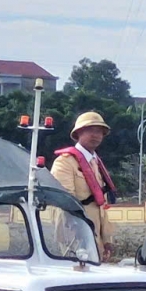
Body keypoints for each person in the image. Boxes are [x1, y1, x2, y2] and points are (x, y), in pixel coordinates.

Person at [51, 111, 117, 260]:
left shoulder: (96, 163)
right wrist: (81, 237)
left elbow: (101, 206)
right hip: (75, 235)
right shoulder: (65, 162)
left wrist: (107, 240)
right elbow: (66, 202)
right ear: (79, 133)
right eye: (91, 130)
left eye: (100, 132)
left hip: (94, 235)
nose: (96, 135)